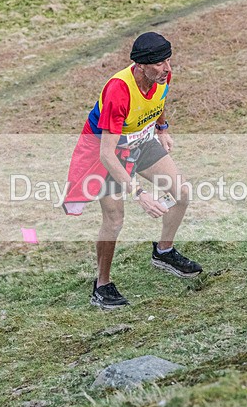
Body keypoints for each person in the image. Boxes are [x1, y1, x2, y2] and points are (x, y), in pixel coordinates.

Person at [63, 32, 202, 309]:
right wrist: (140, 194)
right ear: (140, 66)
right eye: (160, 64)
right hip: (106, 154)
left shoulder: (162, 76)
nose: (168, 69)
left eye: (169, 61)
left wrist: (162, 128)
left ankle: (163, 251)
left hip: (140, 140)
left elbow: (159, 101)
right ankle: (101, 286)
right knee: (114, 220)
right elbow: (106, 153)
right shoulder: (119, 90)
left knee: (182, 193)